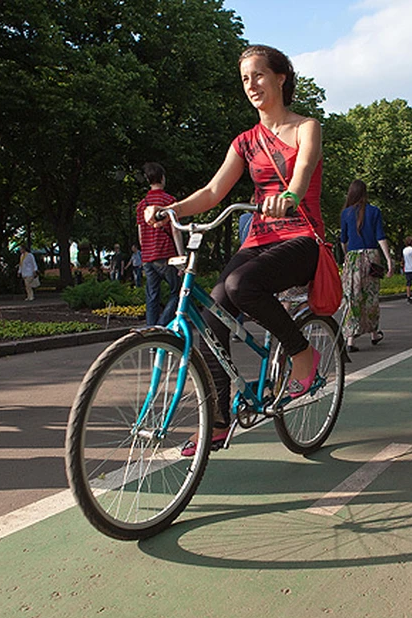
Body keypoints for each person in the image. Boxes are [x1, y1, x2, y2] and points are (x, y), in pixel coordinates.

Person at [143, 45, 323, 457]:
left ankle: (302, 354)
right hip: (259, 238)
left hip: (301, 238)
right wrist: (171, 209)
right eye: (245, 79)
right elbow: (212, 192)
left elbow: (304, 167)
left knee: (242, 284)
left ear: (280, 77)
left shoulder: (305, 127)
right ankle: (219, 422)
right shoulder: (245, 142)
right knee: (210, 318)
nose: (252, 85)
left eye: (259, 75)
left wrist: (290, 195)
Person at [340, 179, 393, 352]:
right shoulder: (374, 211)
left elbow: (344, 240)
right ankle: (374, 333)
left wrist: (348, 255)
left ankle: (350, 340)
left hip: (353, 258)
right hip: (371, 257)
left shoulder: (346, 213)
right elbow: (380, 237)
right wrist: (389, 260)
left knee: (352, 296)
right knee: (371, 296)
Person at [136, 162, 184, 327]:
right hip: (166, 255)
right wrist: (181, 257)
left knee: (152, 297)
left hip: (148, 257)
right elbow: (176, 231)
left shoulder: (142, 205)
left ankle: (151, 335)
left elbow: (141, 236)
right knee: (177, 292)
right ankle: (161, 328)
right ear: (162, 178)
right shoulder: (169, 201)